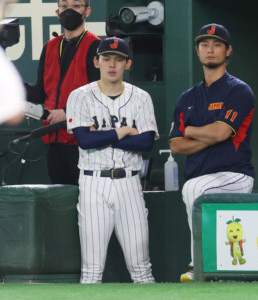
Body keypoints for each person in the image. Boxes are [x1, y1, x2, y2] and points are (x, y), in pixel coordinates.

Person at [66, 37, 158, 283]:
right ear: (97, 61)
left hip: (129, 183)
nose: (112, 65)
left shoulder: (141, 97)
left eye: (119, 60)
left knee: (142, 269)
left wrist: (102, 136)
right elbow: (84, 140)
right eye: (106, 59)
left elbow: (146, 143)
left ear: (128, 64)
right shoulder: (79, 96)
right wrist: (124, 131)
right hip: (93, 183)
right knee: (92, 270)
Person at [169, 23, 255, 282]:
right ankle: (213, 269)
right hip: (201, 175)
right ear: (197, 51)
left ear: (228, 51)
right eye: (204, 44)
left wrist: (192, 130)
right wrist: (208, 134)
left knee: (193, 190)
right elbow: (176, 145)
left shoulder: (238, 90)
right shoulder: (187, 98)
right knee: (196, 188)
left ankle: (198, 266)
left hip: (235, 174)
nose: (210, 49)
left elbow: (221, 133)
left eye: (217, 44)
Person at [24, 0, 101, 185]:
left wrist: (66, 112)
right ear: (57, 12)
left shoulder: (96, 46)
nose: (69, 11)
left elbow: (99, 94)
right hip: (53, 140)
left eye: (76, 6)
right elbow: (40, 94)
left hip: (82, 142)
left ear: (87, 11)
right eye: (64, 6)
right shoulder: (50, 47)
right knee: (59, 203)